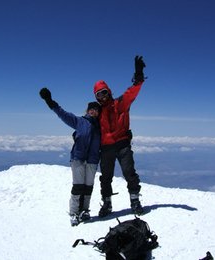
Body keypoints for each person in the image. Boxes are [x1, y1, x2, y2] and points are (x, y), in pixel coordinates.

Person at [39, 87, 101, 226]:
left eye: (96, 110)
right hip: (78, 158)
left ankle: (84, 211)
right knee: (78, 187)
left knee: (88, 187)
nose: (94, 111)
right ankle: (74, 213)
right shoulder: (79, 121)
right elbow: (62, 114)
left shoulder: (101, 127)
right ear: (87, 110)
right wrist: (50, 101)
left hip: (92, 160)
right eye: (92, 109)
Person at [93, 56, 146, 217]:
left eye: (103, 93)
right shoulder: (97, 111)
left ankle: (135, 201)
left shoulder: (120, 104)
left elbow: (132, 92)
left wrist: (139, 76)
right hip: (106, 148)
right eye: (98, 95)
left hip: (122, 144)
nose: (102, 97)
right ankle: (107, 204)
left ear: (108, 92)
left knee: (129, 172)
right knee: (106, 178)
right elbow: (85, 125)